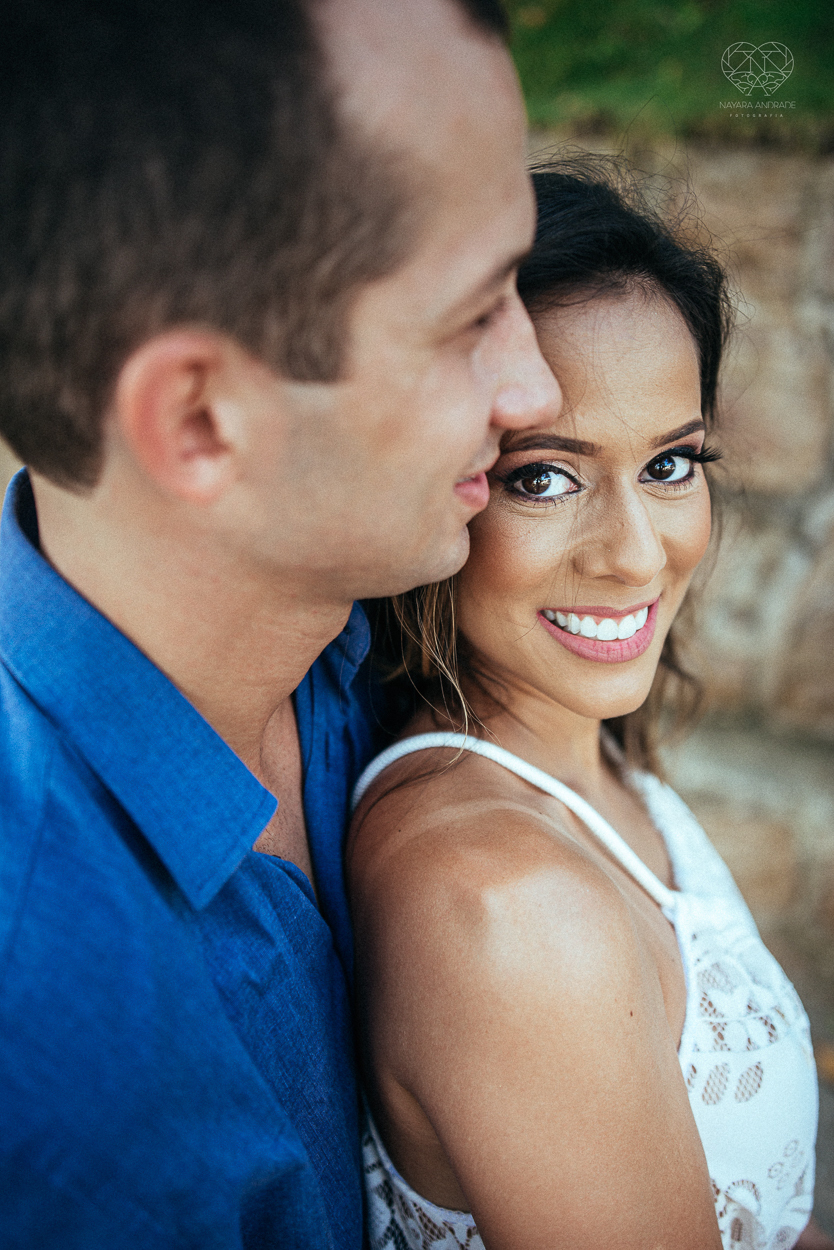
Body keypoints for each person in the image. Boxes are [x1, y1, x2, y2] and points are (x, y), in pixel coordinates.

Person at [0, 1, 561, 1245]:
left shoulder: (406, 614)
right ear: (199, 420)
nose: (538, 388)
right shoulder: (48, 1065)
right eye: (472, 317)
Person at [348, 160, 831, 1250]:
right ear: (442, 485)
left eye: (671, 463)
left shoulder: (589, 756)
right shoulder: (510, 905)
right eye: (544, 477)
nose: (635, 554)